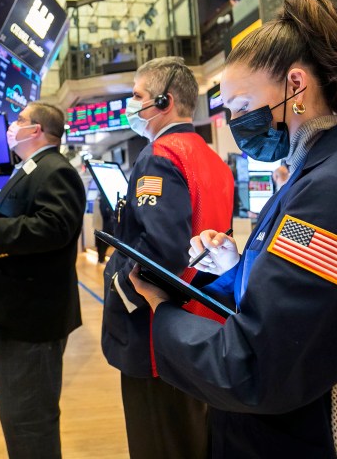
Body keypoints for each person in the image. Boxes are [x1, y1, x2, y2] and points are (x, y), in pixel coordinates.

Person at [130, 0, 337, 457]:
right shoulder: (310, 176)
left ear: (295, 84)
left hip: (328, 437)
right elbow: (297, 301)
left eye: (242, 104)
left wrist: (161, 315)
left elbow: (258, 366)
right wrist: (235, 268)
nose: (234, 122)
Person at [101, 57, 234, 459]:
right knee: (194, 437)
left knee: (160, 441)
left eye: (138, 96)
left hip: (160, 333)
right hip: (204, 325)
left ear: (165, 100)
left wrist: (118, 283)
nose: (132, 105)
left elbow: (160, 250)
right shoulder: (212, 159)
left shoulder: (161, 155)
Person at [0, 102, 85, 459]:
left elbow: (55, 227)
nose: (12, 126)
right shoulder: (31, 168)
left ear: (37, 129)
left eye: (20, 121)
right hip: (14, 315)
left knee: (29, 420)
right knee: (17, 416)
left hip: (32, 319)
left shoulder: (56, 170)